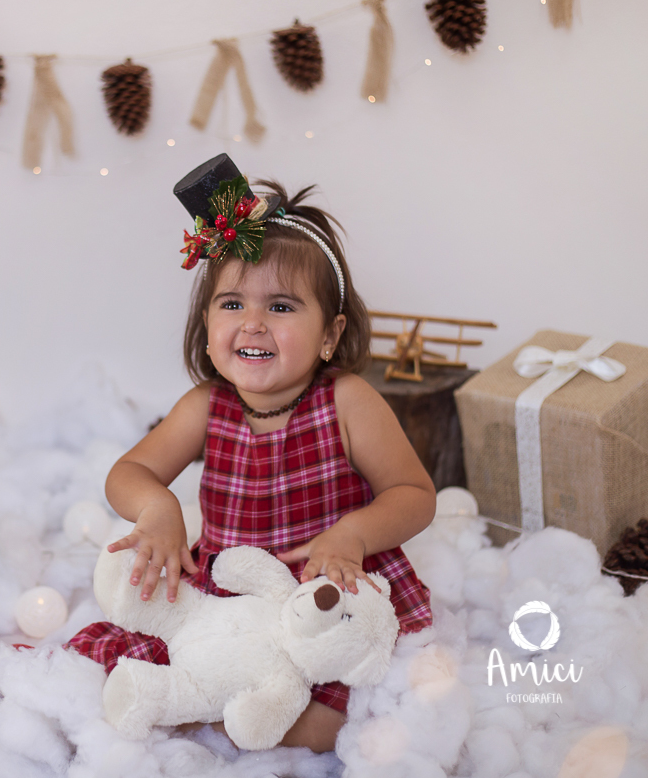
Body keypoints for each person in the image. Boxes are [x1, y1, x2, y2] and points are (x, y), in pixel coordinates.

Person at [69, 154, 435, 753]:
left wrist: (352, 535)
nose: (254, 323)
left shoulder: (347, 401)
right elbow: (128, 472)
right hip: (231, 599)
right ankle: (208, 698)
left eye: (281, 306)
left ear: (330, 334)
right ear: (206, 321)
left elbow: (414, 495)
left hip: (320, 592)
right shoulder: (205, 406)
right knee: (130, 661)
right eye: (232, 304)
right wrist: (158, 507)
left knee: (323, 725)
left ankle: (236, 715)